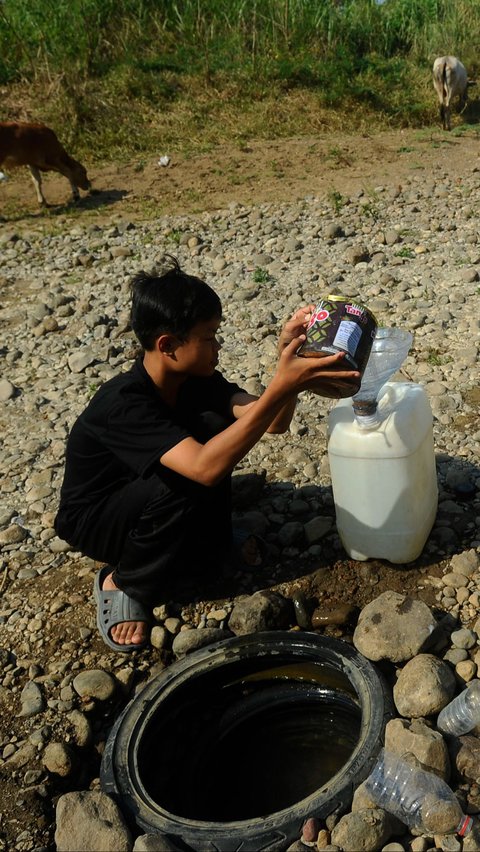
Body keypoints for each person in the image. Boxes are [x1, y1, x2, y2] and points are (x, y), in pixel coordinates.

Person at [54, 257, 360, 653]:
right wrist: (284, 385)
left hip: (144, 495)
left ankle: (205, 538)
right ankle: (125, 580)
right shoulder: (123, 403)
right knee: (191, 473)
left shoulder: (196, 381)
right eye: (209, 336)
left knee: (217, 434)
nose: (218, 345)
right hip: (97, 522)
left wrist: (290, 365)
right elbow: (204, 468)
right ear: (168, 345)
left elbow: (270, 421)